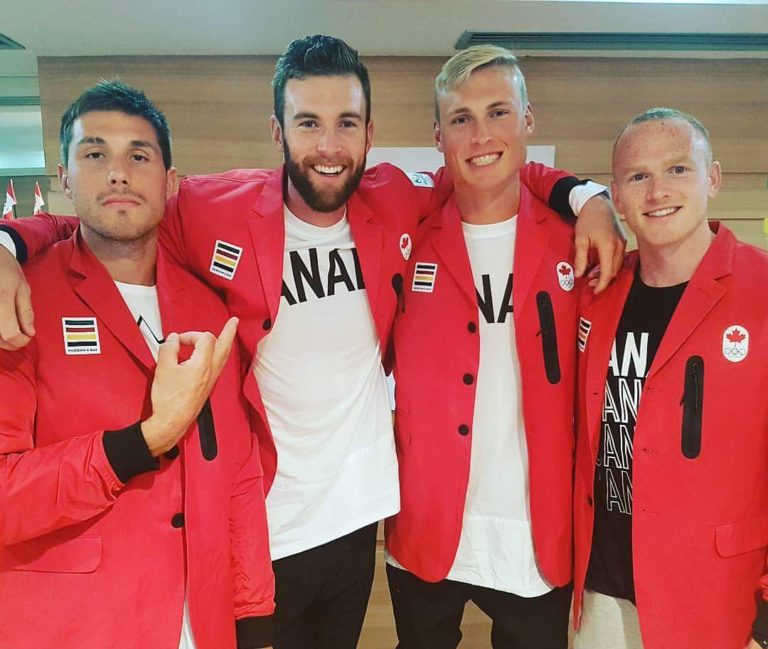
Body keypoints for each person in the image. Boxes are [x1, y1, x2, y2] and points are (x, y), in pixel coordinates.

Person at [0, 35, 622, 648]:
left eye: (345, 123)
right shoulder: (213, 209)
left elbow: (492, 164)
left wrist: (587, 195)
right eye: (307, 123)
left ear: (369, 134)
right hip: (267, 524)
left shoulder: (396, 200)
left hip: (358, 515)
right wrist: (7, 244)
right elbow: (108, 212)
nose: (328, 146)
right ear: (278, 132)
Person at [0, 81, 274, 649]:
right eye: (96, 154)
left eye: (139, 156)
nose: (119, 173)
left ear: (170, 183)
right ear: (64, 177)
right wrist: (138, 443)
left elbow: (238, 472)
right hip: (74, 626)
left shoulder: (209, 305)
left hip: (202, 621)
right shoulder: (18, 301)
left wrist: (250, 611)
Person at [385, 44, 586, 649]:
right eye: (461, 118)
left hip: (537, 533)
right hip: (426, 523)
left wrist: (589, 197)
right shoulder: (405, 234)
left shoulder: (579, 241)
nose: (481, 135)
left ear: (528, 119)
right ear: (438, 134)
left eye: (498, 112)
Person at [571, 107, 768, 649]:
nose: (657, 191)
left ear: (714, 178)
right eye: (638, 176)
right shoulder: (598, 293)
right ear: (617, 194)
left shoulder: (763, 290)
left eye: (677, 169)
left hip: (719, 601)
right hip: (603, 593)